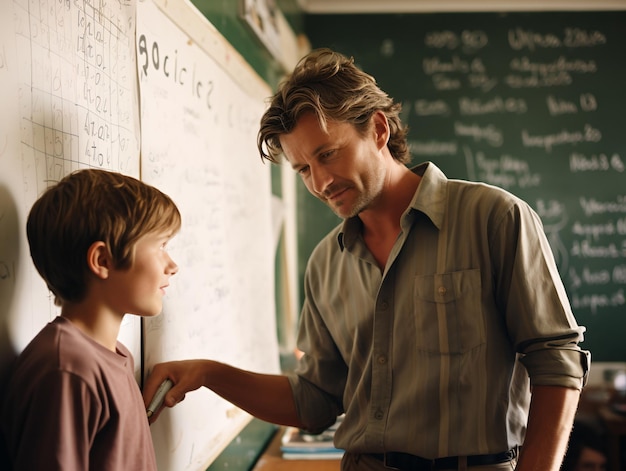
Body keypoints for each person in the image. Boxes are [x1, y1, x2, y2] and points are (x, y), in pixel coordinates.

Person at [143, 48, 590, 471]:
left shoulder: (493, 217)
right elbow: (315, 400)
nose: (319, 182)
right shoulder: (324, 264)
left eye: (327, 154)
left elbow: (556, 357)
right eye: (303, 169)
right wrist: (208, 373)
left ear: (379, 130)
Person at [0, 169, 181, 470]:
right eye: (160, 246)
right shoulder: (67, 370)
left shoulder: (115, 355)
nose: (172, 265)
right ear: (103, 261)